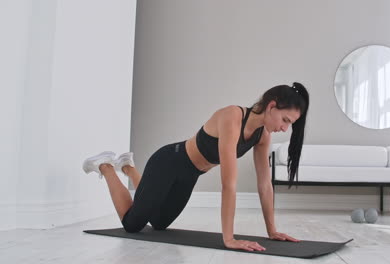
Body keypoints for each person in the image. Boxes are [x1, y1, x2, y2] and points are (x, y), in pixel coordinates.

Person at [82, 82, 309, 252]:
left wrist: (272, 231)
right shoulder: (232, 117)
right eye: (285, 120)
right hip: (168, 162)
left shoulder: (262, 136)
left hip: (189, 175)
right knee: (132, 224)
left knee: (159, 223)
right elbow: (228, 184)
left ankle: (129, 167)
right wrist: (228, 239)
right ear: (271, 106)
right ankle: (106, 166)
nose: (285, 128)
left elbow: (265, 185)